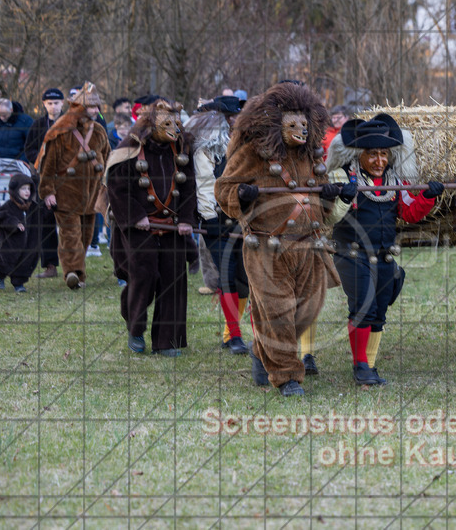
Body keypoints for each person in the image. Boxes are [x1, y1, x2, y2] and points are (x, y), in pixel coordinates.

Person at [215, 82, 342, 397]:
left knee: (306, 311)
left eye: (304, 123)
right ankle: (287, 377)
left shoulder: (310, 154)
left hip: (308, 246)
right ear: (275, 123)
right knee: (278, 311)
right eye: (292, 124)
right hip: (267, 247)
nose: (300, 130)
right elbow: (223, 189)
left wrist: (328, 195)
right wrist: (241, 195)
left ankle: (262, 351)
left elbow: (321, 197)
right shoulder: (252, 153)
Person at [325, 113, 444, 386]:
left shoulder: (395, 181)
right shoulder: (342, 176)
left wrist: (428, 196)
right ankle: (360, 367)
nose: (379, 161)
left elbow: (410, 213)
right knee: (363, 307)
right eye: (372, 155)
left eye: (384, 154)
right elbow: (327, 217)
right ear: (359, 154)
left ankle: (370, 365)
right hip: (352, 254)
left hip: (384, 255)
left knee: (379, 310)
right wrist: (341, 197)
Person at [107, 100, 196, 357]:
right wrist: (136, 215)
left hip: (172, 224)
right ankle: (135, 328)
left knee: (174, 278)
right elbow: (116, 185)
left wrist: (188, 220)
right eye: (167, 125)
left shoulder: (181, 148)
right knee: (144, 276)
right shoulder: (130, 148)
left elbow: (188, 187)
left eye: (176, 124)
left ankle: (167, 341)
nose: (174, 129)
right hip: (137, 226)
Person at [186, 96, 250, 355]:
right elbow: (204, 184)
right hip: (218, 221)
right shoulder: (206, 148)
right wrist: (210, 218)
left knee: (244, 278)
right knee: (227, 276)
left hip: (245, 221)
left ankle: (228, 333)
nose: (235, 120)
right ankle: (234, 336)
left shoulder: (246, 146)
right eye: (231, 116)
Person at [35, 82, 111, 289]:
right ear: (79, 107)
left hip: (92, 194)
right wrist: (48, 192)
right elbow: (48, 164)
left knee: (85, 237)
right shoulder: (61, 129)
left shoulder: (99, 131)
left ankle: (79, 272)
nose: (95, 111)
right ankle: (73, 273)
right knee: (70, 235)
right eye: (91, 107)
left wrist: (106, 186)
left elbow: (107, 158)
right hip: (65, 192)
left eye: (97, 107)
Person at [24, 88, 67, 279]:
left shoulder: (72, 124)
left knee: (71, 223)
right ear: (44, 104)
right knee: (46, 222)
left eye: (56, 102)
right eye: (49, 103)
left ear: (62, 103)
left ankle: (73, 267)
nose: (53, 106)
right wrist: (41, 162)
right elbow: (29, 149)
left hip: (68, 179)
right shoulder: (38, 125)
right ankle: (50, 265)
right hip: (44, 180)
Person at [0, 174, 38, 292]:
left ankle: (18, 283)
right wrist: (14, 223)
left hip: (28, 243)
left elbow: (42, 214)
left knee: (25, 262)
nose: (27, 191)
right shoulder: (8, 206)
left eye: (29, 188)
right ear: (15, 190)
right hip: (11, 243)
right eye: (23, 189)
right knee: (6, 261)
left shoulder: (33, 207)